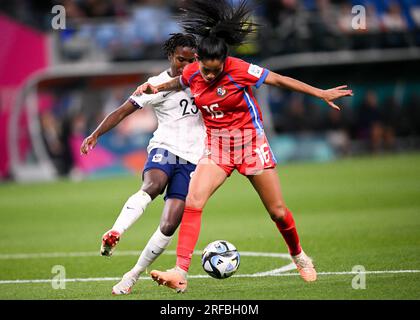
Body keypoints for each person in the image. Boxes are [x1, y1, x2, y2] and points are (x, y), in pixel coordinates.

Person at [135, 0, 353, 293]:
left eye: (215, 71)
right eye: (206, 70)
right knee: (193, 202)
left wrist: (319, 92)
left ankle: (299, 256)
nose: (210, 76)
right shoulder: (193, 73)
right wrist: (156, 88)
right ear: (199, 60)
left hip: (250, 145)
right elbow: (180, 83)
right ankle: (180, 271)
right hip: (218, 147)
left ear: (224, 62)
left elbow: (278, 79)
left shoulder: (239, 70)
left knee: (277, 212)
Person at [80, 33, 206, 295]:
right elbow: (122, 111)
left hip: (193, 159)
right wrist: (95, 134)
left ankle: (132, 275)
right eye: (181, 59)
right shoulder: (155, 84)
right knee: (153, 185)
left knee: (171, 222)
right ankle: (116, 230)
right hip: (165, 149)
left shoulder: (202, 79)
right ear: (171, 56)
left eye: (191, 60)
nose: (186, 65)